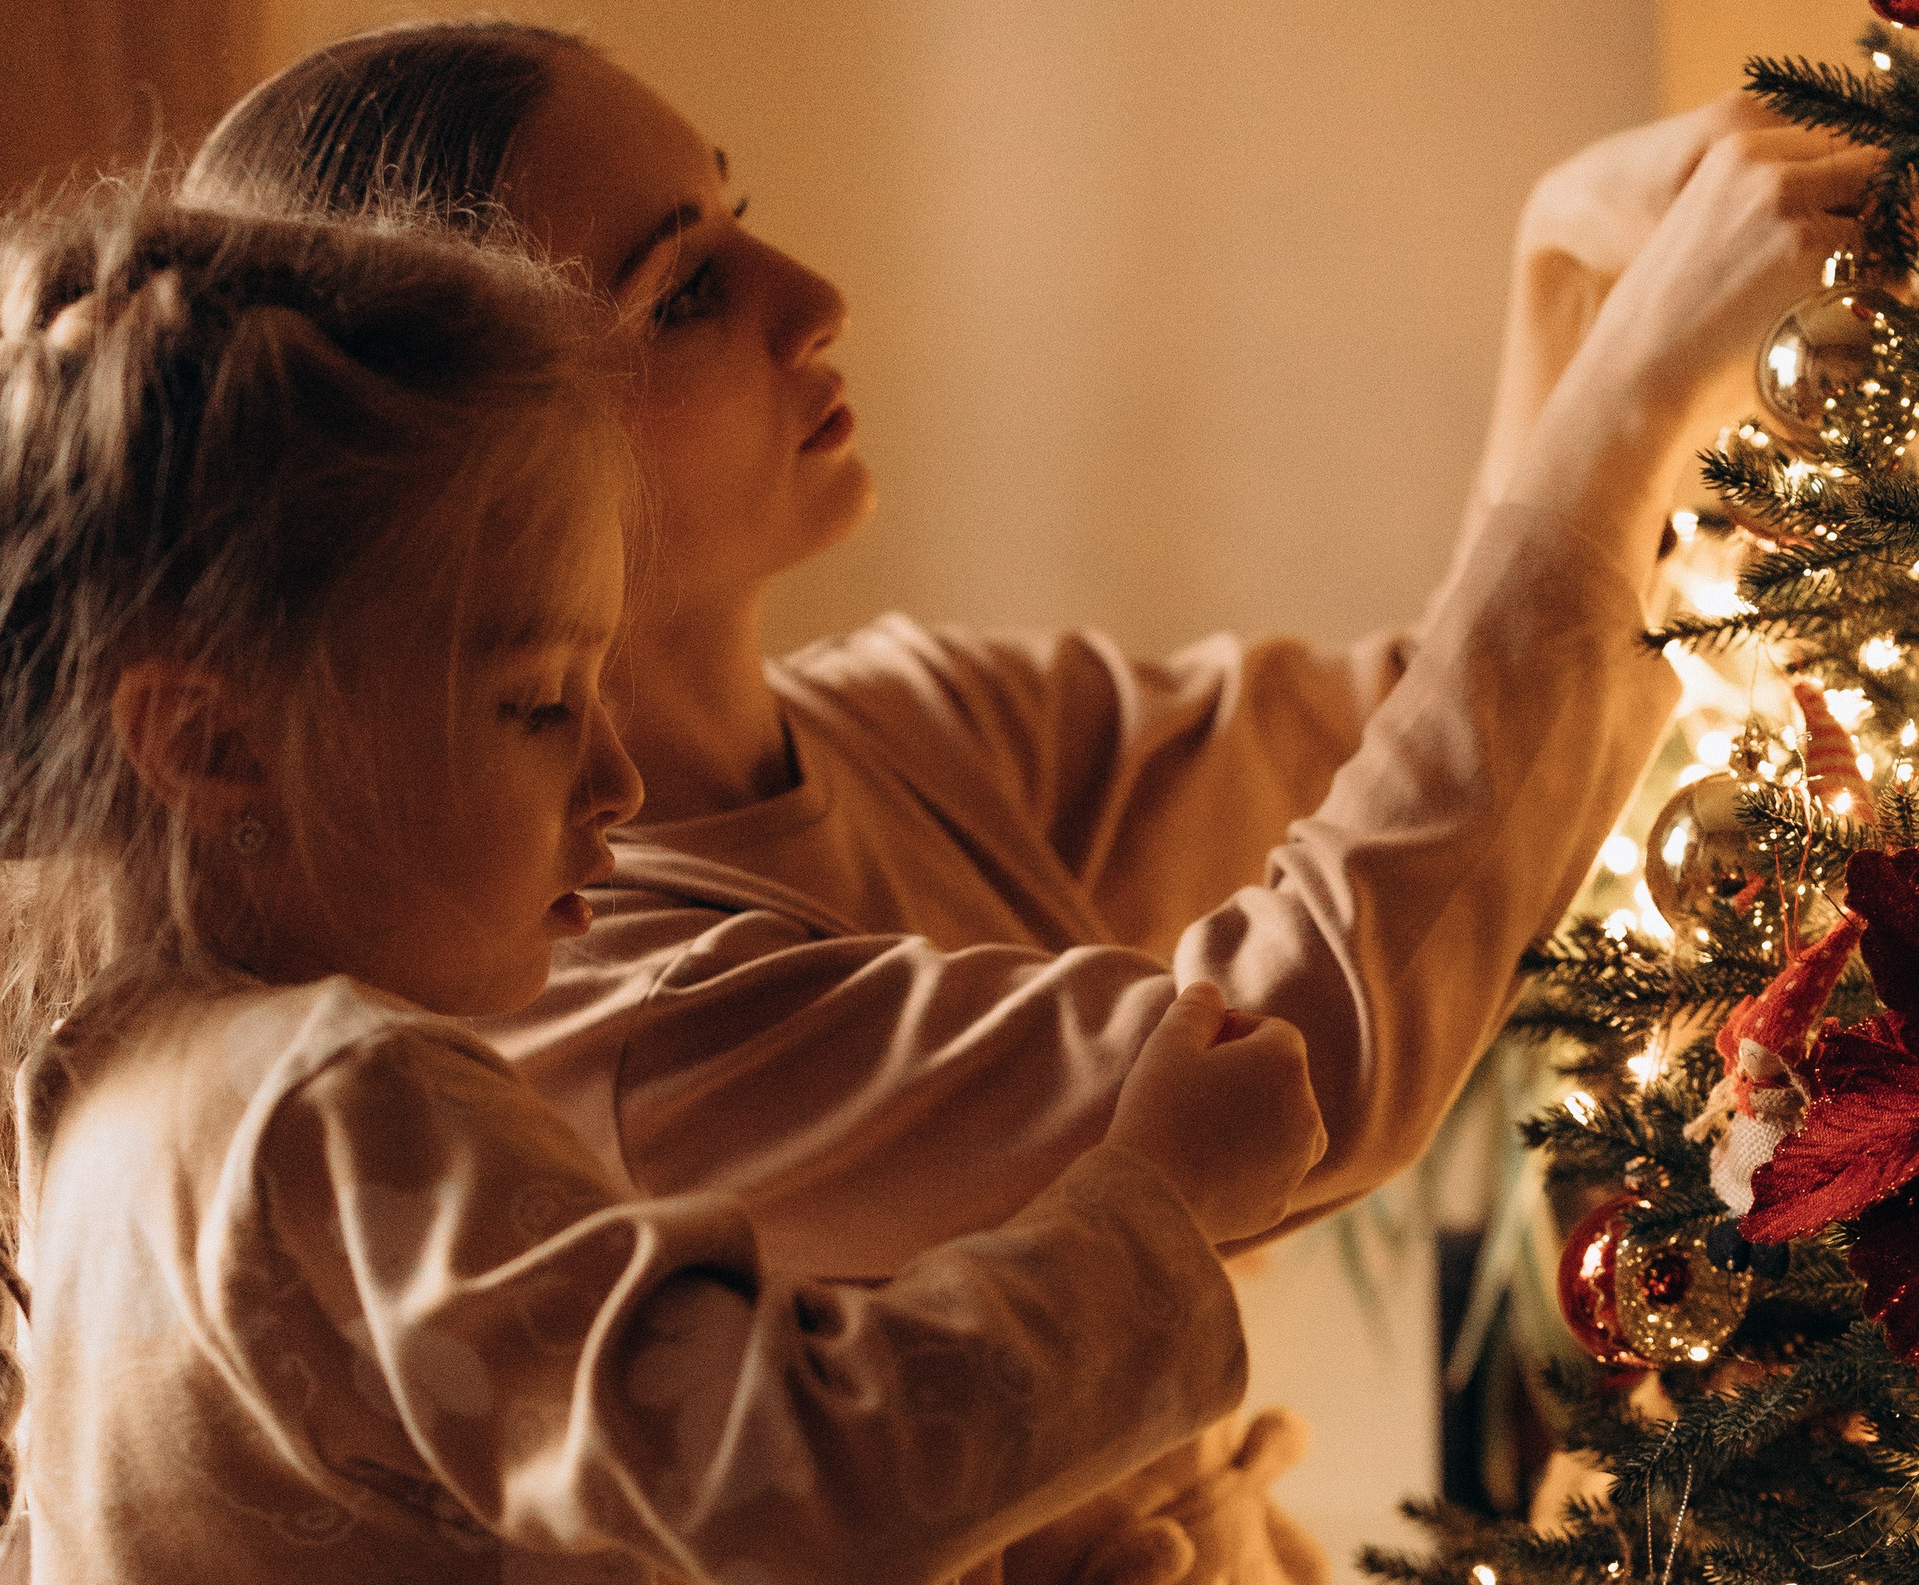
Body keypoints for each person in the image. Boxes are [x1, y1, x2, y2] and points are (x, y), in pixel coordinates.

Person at [187, 21, 1885, 1582]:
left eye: (742, 217)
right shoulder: (599, 1006)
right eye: (685, 290)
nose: (813, 295)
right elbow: (1309, 1062)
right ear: (476, 478)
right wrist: (1634, 393)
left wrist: (1567, 277)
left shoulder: (909, 720)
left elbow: (1419, 740)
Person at [0, 192, 1329, 1583]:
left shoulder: (101, 1094)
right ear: (213, 744)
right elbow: (790, 1481)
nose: (618, 784)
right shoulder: (335, 1111)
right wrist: (1160, 1202)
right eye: (539, 704)